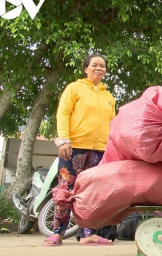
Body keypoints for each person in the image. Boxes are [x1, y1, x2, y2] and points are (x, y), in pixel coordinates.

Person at [43, 54, 116, 246]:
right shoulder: (74, 88)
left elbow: (113, 123)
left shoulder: (108, 96)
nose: (99, 68)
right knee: (65, 190)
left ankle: (88, 234)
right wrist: (64, 140)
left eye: (102, 66)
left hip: (99, 150)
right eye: (94, 65)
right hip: (73, 147)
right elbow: (63, 113)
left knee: (91, 192)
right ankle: (58, 232)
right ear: (86, 68)